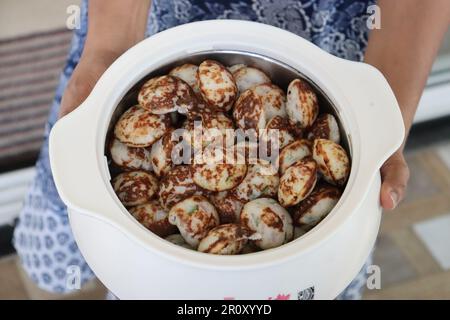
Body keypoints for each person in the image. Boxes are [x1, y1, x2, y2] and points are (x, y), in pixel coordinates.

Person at [13, 0, 450, 298]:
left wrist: (381, 120)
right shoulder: (176, 122)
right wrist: (109, 49)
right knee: (92, 253)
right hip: (150, 28)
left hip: (328, 36)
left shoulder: (296, 138)